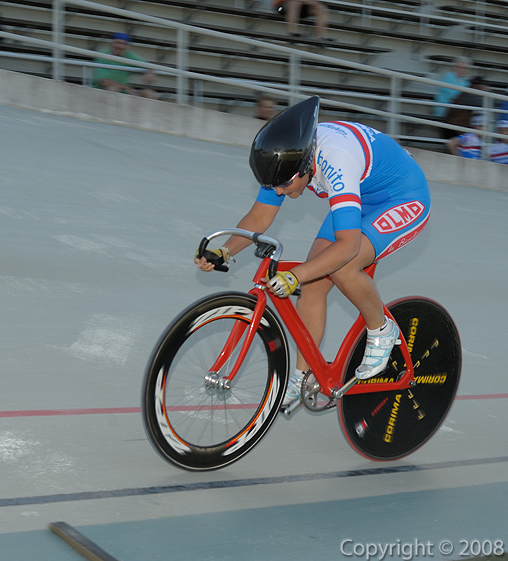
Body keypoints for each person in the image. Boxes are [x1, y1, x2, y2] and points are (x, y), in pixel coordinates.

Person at [195, 97, 430, 403]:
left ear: (305, 165)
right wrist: (225, 252)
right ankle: (303, 375)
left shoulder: (337, 161)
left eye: (282, 185)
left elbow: (347, 247)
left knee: (341, 267)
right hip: (360, 195)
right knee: (314, 283)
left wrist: (294, 275)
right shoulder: (286, 160)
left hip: (402, 196)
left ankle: (382, 330)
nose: (278, 191)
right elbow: (259, 218)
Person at [92, 33, 157, 99]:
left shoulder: (128, 55)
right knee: (112, 89)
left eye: (124, 44)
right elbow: (103, 81)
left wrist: (149, 71)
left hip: (123, 92)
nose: (120, 46)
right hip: (100, 89)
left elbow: (146, 65)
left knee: (149, 93)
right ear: (112, 43)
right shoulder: (102, 55)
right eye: (118, 43)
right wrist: (125, 88)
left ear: (128, 47)